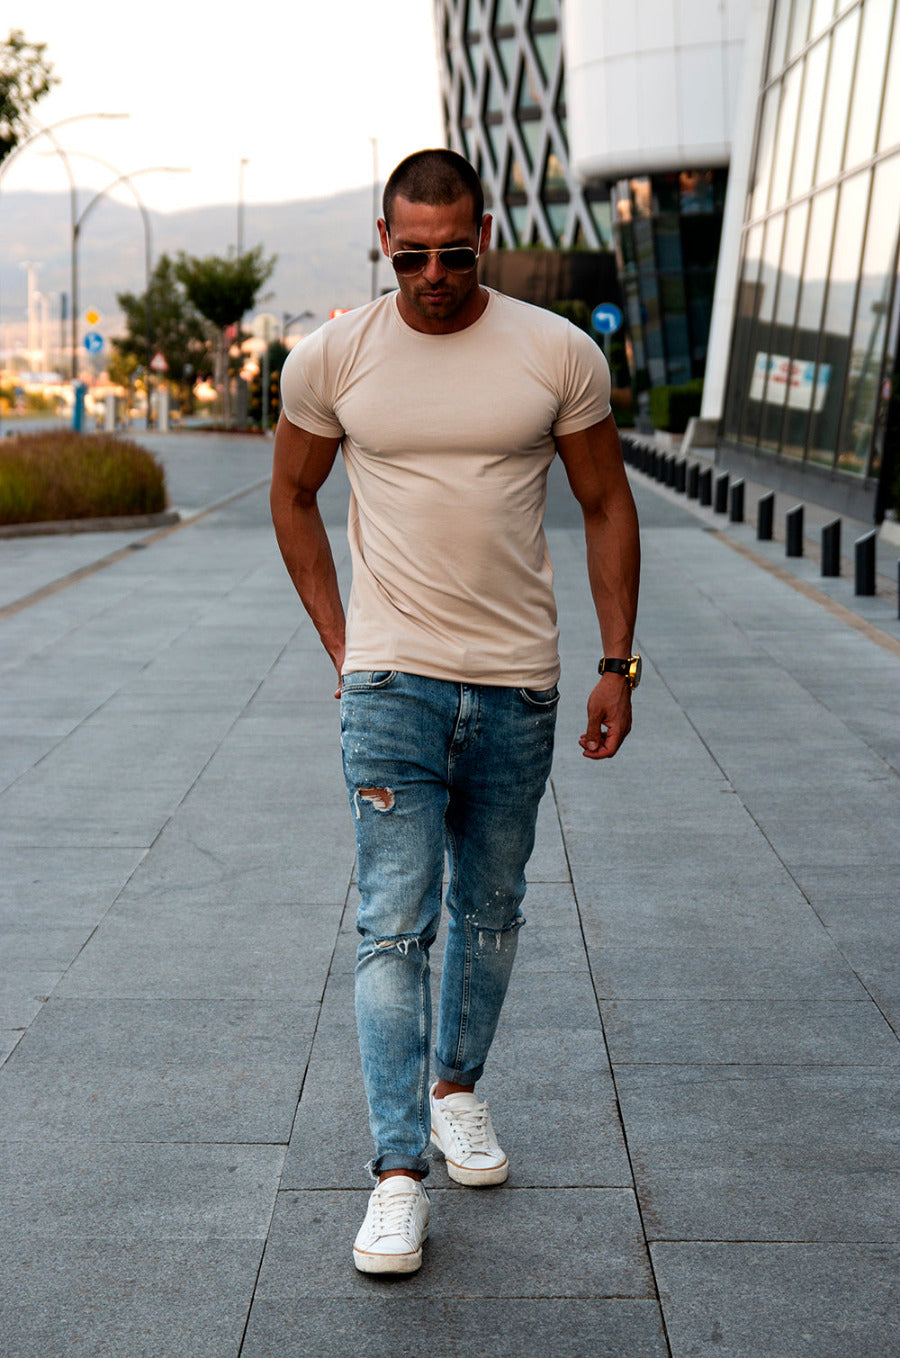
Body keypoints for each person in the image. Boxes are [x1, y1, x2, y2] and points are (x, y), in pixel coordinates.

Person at [270, 149, 640, 1276]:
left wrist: (618, 663)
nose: (433, 275)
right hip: (393, 683)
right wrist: (344, 644)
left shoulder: (555, 352)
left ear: (486, 235)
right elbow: (292, 492)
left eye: (456, 254)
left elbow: (606, 501)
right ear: (384, 240)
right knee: (393, 922)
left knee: (490, 909)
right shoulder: (332, 357)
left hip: (518, 683)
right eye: (413, 255)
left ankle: (455, 1089)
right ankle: (395, 1176)